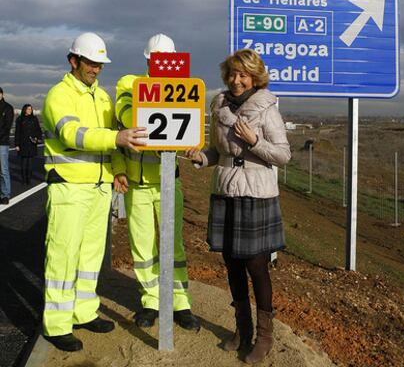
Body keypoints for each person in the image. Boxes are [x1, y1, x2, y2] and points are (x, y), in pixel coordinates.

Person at [42, 32, 148, 353]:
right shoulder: (59, 95)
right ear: (73, 61)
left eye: (100, 64)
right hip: (70, 186)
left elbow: (114, 134)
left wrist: (118, 169)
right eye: (90, 62)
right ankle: (58, 325)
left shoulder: (102, 98)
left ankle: (84, 311)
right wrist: (115, 141)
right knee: (63, 255)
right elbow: (72, 134)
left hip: (100, 187)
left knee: (90, 256)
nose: (96, 69)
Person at [186, 49, 291, 364]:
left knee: (256, 265)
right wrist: (202, 157)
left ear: (255, 77)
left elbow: (284, 155)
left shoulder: (266, 107)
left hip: (256, 193)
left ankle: (265, 336)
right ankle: (242, 329)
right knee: (231, 263)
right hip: (226, 190)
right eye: (232, 73)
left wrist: (255, 140)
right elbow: (219, 151)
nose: (236, 80)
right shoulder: (218, 105)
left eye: (243, 74)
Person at [113, 33, 200, 331]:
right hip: (137, 185)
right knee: (142, 247)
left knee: (174, 245)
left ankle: (180, 302)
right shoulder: (129, 83)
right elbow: (126, 115)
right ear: (148, 60)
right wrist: (160, 103)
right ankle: (150, 301)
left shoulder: (183, 89)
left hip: (168, 182)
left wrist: (189, 142)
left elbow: (187, 127)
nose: (161, 65)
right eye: (156, 60)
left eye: (167, 59)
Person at [15, 104, 43, 185]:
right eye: (28, 109)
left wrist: (37, 138)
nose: (30, 110)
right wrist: (17, 144)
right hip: (23, 143)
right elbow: (17, 132)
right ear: (24, 110)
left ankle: (29, 179)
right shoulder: (20, 119)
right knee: (23, 162)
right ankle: (24, 180)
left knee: (30, 163)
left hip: (31, 143)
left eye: (31, 109)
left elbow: (38, 130)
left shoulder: (34, 119)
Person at [0, 87, 14, 205]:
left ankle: (5, 194)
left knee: (3, 170)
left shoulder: (8, 108)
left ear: (2, 94)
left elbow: (7, 127)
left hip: (2, 143)